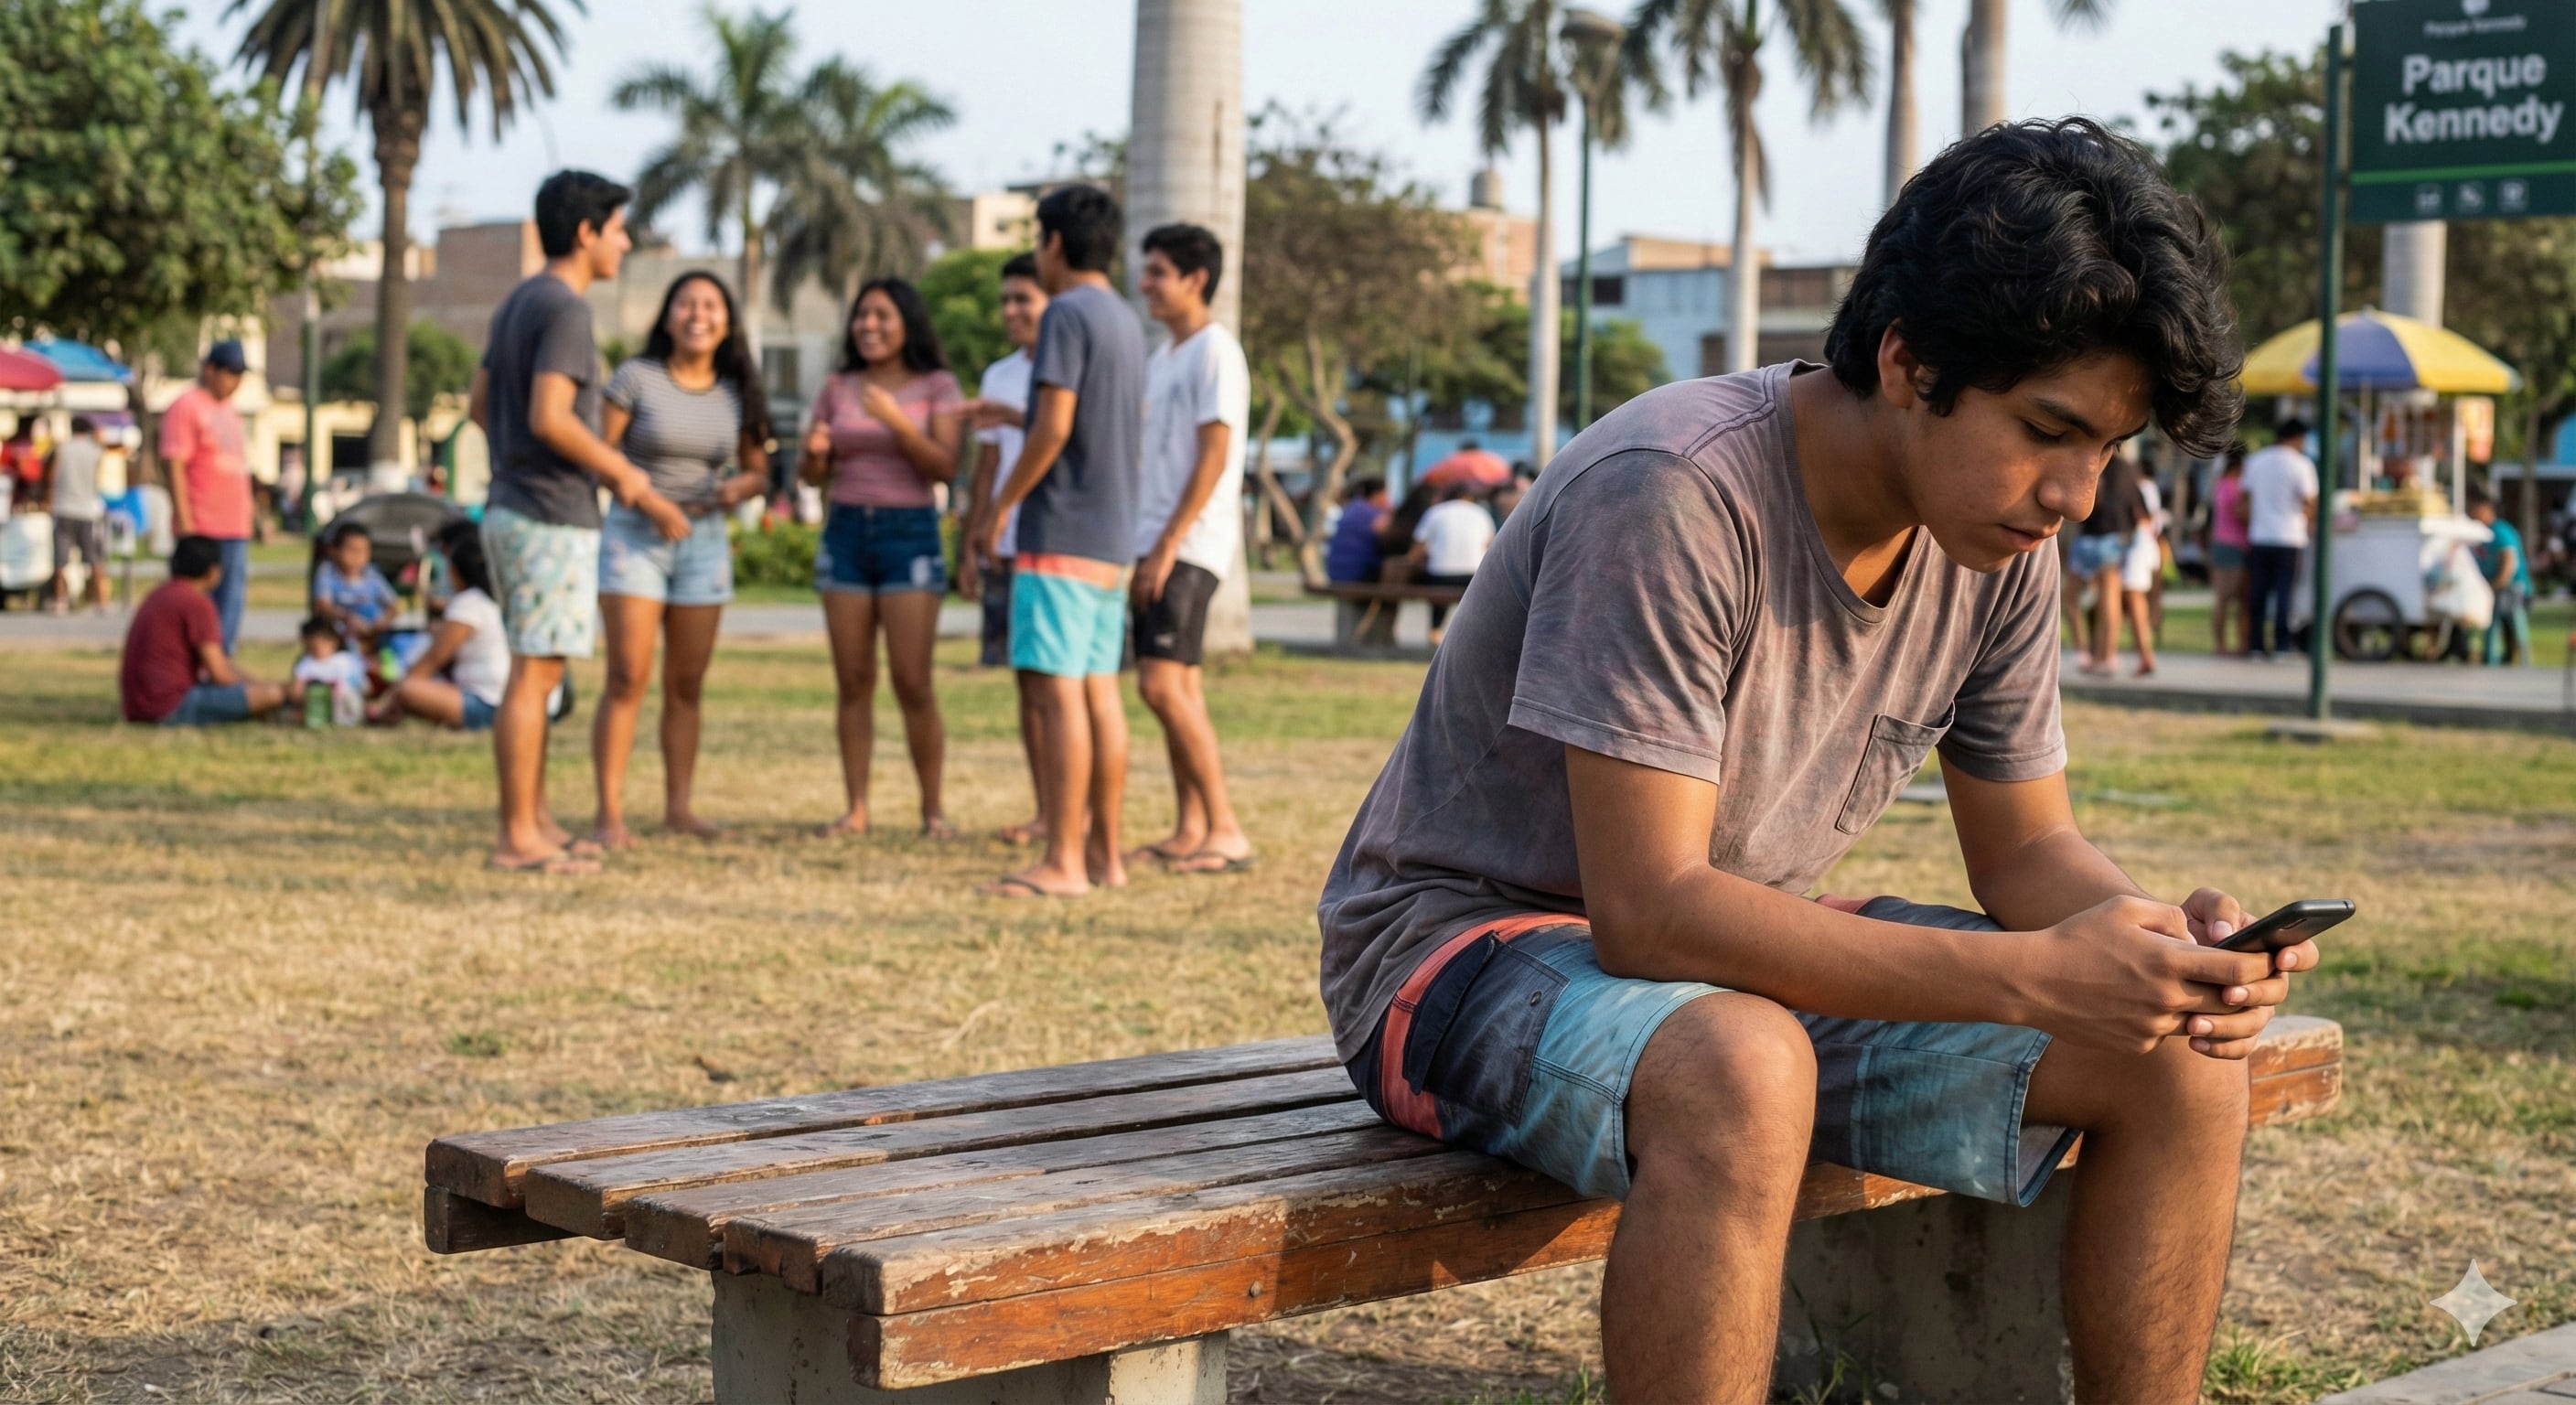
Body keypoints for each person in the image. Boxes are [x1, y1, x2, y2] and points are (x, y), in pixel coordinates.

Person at [1318, 120, 2303, 1404]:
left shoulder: (1992, 535)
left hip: (1728, 964)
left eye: (2107, 451)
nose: (2075, 492)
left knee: (2176, 1061)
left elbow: (2027, 852)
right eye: (2048, 429)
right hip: (1458, 954)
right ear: (1908, 363)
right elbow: (1650, 908)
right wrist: (2028, 978)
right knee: (1742, 1069)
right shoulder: (1675, 489)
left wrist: (2162, 945)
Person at [470, 169, 689, 875]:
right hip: (547, 513)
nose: (625, 244)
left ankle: (535, 818)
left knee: (540, 667)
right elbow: (551, 416)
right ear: (588, 232)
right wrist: (625, 475)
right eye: (620, 229)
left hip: (513, 501)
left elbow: (482, 403)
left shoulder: (518, 302)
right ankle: (517, 838)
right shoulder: (564, 307)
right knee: (535, 674)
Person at [972, 185, 1147, 898]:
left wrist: (999, 508)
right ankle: (1106, 858)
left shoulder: (1066, 314)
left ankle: (1063, 861)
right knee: (1100, 693)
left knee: (1056, 697)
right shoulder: (1127, 319)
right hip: (1112, 535)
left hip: (1061, 529)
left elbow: (1052, 426)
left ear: (1052, 243)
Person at [590, 270, 772, 846]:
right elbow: (598, 453)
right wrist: (648, 500)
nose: (699, 315)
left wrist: (739, 489)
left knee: (686, 683)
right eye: (687, 304)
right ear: (668, 315)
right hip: (636, 536)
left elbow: (758, 469)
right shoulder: (636, 378)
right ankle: (609, 816)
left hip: (705, 540)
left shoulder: (737, 388)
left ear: (727, 321)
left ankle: (679, 808)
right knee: (627, 676)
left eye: (711, 305)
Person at [800, 276, 966, 839]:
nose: (868, 326)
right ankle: (856, 809)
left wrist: (896, 421)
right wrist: (814, 455)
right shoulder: (838, 386)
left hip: (909, 534)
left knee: (912, 680)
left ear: (908, 323)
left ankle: (932, 810)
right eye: (861, 316)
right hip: (846, 530)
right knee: (853, 680)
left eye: (882, 316)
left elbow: (945, 466)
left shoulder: (937, 386)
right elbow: (809, 475)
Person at [1124, 222, 1256, 874]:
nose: (1144, 284)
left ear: (1194, 279)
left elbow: (1214, 454)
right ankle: (1190, 826)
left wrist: (1169, 543)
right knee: (1179, 689)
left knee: (1160, 686)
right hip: (1157, 540)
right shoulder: (1164, 356)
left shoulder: (1214, 352)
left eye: (1157, 272)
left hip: (1191, 543)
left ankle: (1227, 830)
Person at [961, 255, 1051, 845]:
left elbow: (1064, 432)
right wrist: (974, 535)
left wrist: (1018, 418)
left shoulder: (1071, 361)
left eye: (1025, 299)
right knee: (1026, 679)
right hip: (1008, 540)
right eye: (1006, 301)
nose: (1012, 311)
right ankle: (1047, 810)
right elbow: (988, 463)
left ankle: (1078, 815)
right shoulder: (999, 374)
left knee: (1063, 683)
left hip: (1062, 538)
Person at [120, 535, 288, 725]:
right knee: (272, 695)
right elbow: (220, 673)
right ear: (214, 571)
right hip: (170, 706)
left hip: (136, 706)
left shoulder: (159, 593)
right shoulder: (197, 602)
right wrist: (274, 689)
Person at [160, 340, 254, 653]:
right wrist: (186, 525)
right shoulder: (186, 406)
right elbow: (175, 466)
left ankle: (220, 670)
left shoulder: (230, 410)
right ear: (209, 369)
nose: (235, 381)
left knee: (230, 607)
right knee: (197, 610)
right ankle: (195, 676)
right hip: (202, 525)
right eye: (230, 373)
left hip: (234, 526)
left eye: (240, 374)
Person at [370, 529, 514, 732]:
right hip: (521, 703)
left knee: (408, 689)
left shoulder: (469, 603)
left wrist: (390, 699)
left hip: (488, 705)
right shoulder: (503, 600)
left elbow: (431, 661)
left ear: (455, 571)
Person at [2241, 416, 2318, 660]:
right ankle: (2281, 645)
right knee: (2285, 594)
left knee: (2259, 593)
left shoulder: (2256, 460)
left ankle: (2255, 645)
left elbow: (2245, 500)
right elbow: (2309, 501)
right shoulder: (2301, 465)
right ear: (2296, 438)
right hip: (2289, 536)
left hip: (2260, 534)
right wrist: (2306, 517)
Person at [1409, 480, 1496, 644]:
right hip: (1472, 574)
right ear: (1469, 497)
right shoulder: (1480, 513)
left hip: (1440, 574)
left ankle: (1435, 631)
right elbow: (1489, 545)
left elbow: (1418, 547)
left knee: (1437, 593)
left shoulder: (1435, 512)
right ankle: (1473, 638)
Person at [46, 415, 112, 614]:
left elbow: (52, 476)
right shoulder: (94, 450)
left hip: (63, 507)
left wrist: (48, 499)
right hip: (88, 510)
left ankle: (60, 600)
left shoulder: (62, 449)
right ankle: (101, 601)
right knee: (94, 558)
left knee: (60, 560)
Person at [310, 522, 400, 650]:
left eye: (364, 551)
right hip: (343, 638)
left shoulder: (371, 574)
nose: (358, 557)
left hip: (376, 636)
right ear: (333, 551)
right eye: (352, 550)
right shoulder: (328, 573)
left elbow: (393, 605)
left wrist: (380, 624)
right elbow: (322, 605)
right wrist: (348, 619)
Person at [2467, 488, 2531, 665]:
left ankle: (2496, 658)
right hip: (2493, 586)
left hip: (2511, 588)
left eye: (2475, 508)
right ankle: (2486, 656)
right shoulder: (2479, 532)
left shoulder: (2500, 531)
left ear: (2486, 509)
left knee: (2498, 618)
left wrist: (2496, 585)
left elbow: (2509, 562)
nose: (2471, 512)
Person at [2206, 445, 2252, 656]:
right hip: (2237, 545)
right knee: (2240, 600)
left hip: (2220, 544)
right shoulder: (2236, 486)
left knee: (2222, 600)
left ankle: (2222, 645)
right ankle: (2239, 645)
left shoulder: (2219, 485)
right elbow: (2241, 514)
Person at [291, 616, 369, 724]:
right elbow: (296, 689)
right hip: (316, 705)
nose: (311, 651)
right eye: (308, 647)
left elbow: (361, 684)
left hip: (346, 705)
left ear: (333, 642)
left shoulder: (345, 660)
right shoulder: (306, 663)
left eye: (315, 647)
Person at [1326, 477, 1390, 584]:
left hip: (1335, 572)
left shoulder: (1352, 508)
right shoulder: (1375, 514)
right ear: (1378, 494)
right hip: (1356, 574)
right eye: (1387, 494)